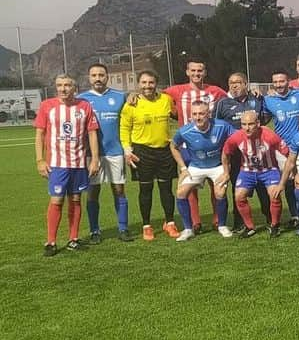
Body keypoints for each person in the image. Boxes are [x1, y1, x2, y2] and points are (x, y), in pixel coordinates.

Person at [35, 73, 100, 256]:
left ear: (74, 88)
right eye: (59, 85)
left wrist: (94, 159)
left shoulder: (84, 106)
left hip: (78, 163)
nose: (63, 89)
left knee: (76, 199)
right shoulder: (47, 106)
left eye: (67, 85)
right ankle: (51, 241)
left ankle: (73, 238)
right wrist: (40, 160)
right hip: (57, 163)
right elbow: (39, 134)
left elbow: (92, 134)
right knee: (56, 200)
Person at [161, 57, 228, 233]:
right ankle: (195, 222)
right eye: (193, 71)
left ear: (205, 72)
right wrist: (134, 95)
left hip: (212, 145)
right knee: (190, 187)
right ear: (187, 72)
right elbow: (156, 95)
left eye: (200, 71)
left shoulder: (215, 91)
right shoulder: (177, 90)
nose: (196, 74)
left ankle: (217, 220)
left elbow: (232, 99)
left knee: (216, 185)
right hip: (187, 146)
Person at [120, 70, 178, 241]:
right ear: (138, 84)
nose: (147, 86)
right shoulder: (131, 104)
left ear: (156, 84)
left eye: (151, 82)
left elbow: (177, 115)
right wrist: (127, 149)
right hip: (142, 151)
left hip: (164, 150)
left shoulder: (165, 100)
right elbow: (124, 128)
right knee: (145, 189)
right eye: (144, 83)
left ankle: (170, 222)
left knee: (166, 189)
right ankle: (146, 225)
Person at [77, 62, 132, 242]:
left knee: (119, 190)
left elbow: (132, 108)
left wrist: (133, 95)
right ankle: (95, 231)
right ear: (89, 78)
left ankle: (123, 228)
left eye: (101, 75)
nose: (98, 78)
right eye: (94, 75)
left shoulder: (119, 96)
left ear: (107, 77)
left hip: (115, 152)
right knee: (93, 192)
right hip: (91, 155)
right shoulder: (81, 99)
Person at [169, 101, 233, 241]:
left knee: (220, 192)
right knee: (180, 192)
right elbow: (173, 146)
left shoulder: (222, 126)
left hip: (217, 166)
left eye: (201, 114)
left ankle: (222, 225)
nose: (198, 117)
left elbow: (236, 140)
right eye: (195, 114)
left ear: (208, 114)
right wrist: (183, 168)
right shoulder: (184, 131)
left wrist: (227, 168)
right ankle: (187, 229)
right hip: (196, 167)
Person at [221, 110, 289, 238]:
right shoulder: (236, 137)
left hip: (269, 170)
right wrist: (226, 172)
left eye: (250, 124)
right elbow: (225, 153)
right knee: (239, 196)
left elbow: (287, 152)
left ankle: (275, 225)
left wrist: (293, 171)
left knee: (274, 195)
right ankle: (250, 227)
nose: (247, 128)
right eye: (244, 124)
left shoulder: (269, 135)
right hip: (247, 171)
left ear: (258, 123)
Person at [264, 68, 299, 226]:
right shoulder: (268, 100)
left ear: (288, 81)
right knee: (288, 180)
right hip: (282, 148)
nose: (278, 84)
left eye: (281, 81)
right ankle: (295, 214)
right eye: (275, 82)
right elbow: (263, 119)